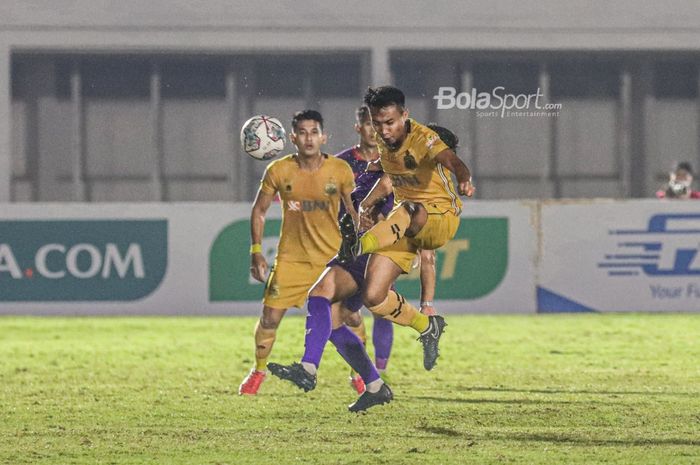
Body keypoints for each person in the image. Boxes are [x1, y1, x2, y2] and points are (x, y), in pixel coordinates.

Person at [268, 97, 467, 410]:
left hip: (380, 245)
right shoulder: (353, 159)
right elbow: (350, 196)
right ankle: (374, 385)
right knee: (331, 313)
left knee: (332, 298)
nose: (379, 130)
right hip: (358, 242)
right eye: (375, 123)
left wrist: (428, 302)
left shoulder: (412, 170)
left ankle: (314, 368)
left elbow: (425, 248)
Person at [238, 110, 357, 395]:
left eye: (314, 132)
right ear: (291, 138)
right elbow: (259, 210)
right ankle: (258, 371)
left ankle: (358, 374)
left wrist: (362, 249)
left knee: (350, 318)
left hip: (330, 261)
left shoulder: (340, 170)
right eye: (302, 132)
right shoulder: (278, 170)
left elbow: (355, 211)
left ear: (323, 136)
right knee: (269, 318)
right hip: (291, 260)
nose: (309, 138)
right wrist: (256, 251)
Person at [336, 108, 445, 393]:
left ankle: (377, 371)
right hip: (351, 243)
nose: (375, 131)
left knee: (378, 304)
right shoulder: (342, 163)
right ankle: (422, 327)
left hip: (386, 241)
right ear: (358, 127)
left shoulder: (398, 161)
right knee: (346, 312)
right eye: (369, 124)